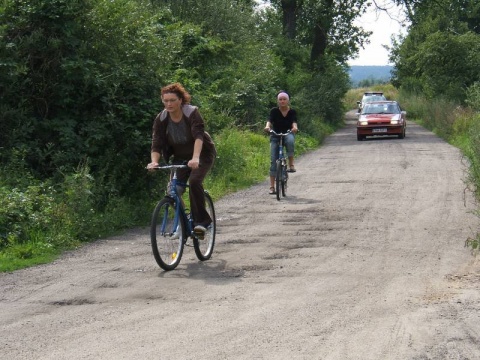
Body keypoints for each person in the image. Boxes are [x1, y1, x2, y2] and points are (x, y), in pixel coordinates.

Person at [147, 83, 216, 237]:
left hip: (202, 155)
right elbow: (156, 141)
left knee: (194, 182)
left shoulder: (191, 112)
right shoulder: (162, 117)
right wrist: (154, 161)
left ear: (180, 100)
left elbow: (199, 136)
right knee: (173, 190)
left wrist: (196, 158)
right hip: (180, 157)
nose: (169, 104)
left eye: (172, 100)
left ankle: (202, 222)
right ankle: (184, 222)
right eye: (165, 101)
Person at [264, 91, 298, 195]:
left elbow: (294, 122)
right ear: (278, 101)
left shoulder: (292, 112)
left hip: (287, 133)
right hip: (275, 135)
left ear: (288, 100)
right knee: (273, 160)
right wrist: (267, 127)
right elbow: (269, 120)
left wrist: (295, 127)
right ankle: (272, 187)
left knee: (290, 140)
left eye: (284, 99)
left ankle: (291, 164)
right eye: (280, 99)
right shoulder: (274, 111)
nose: (282, 101)